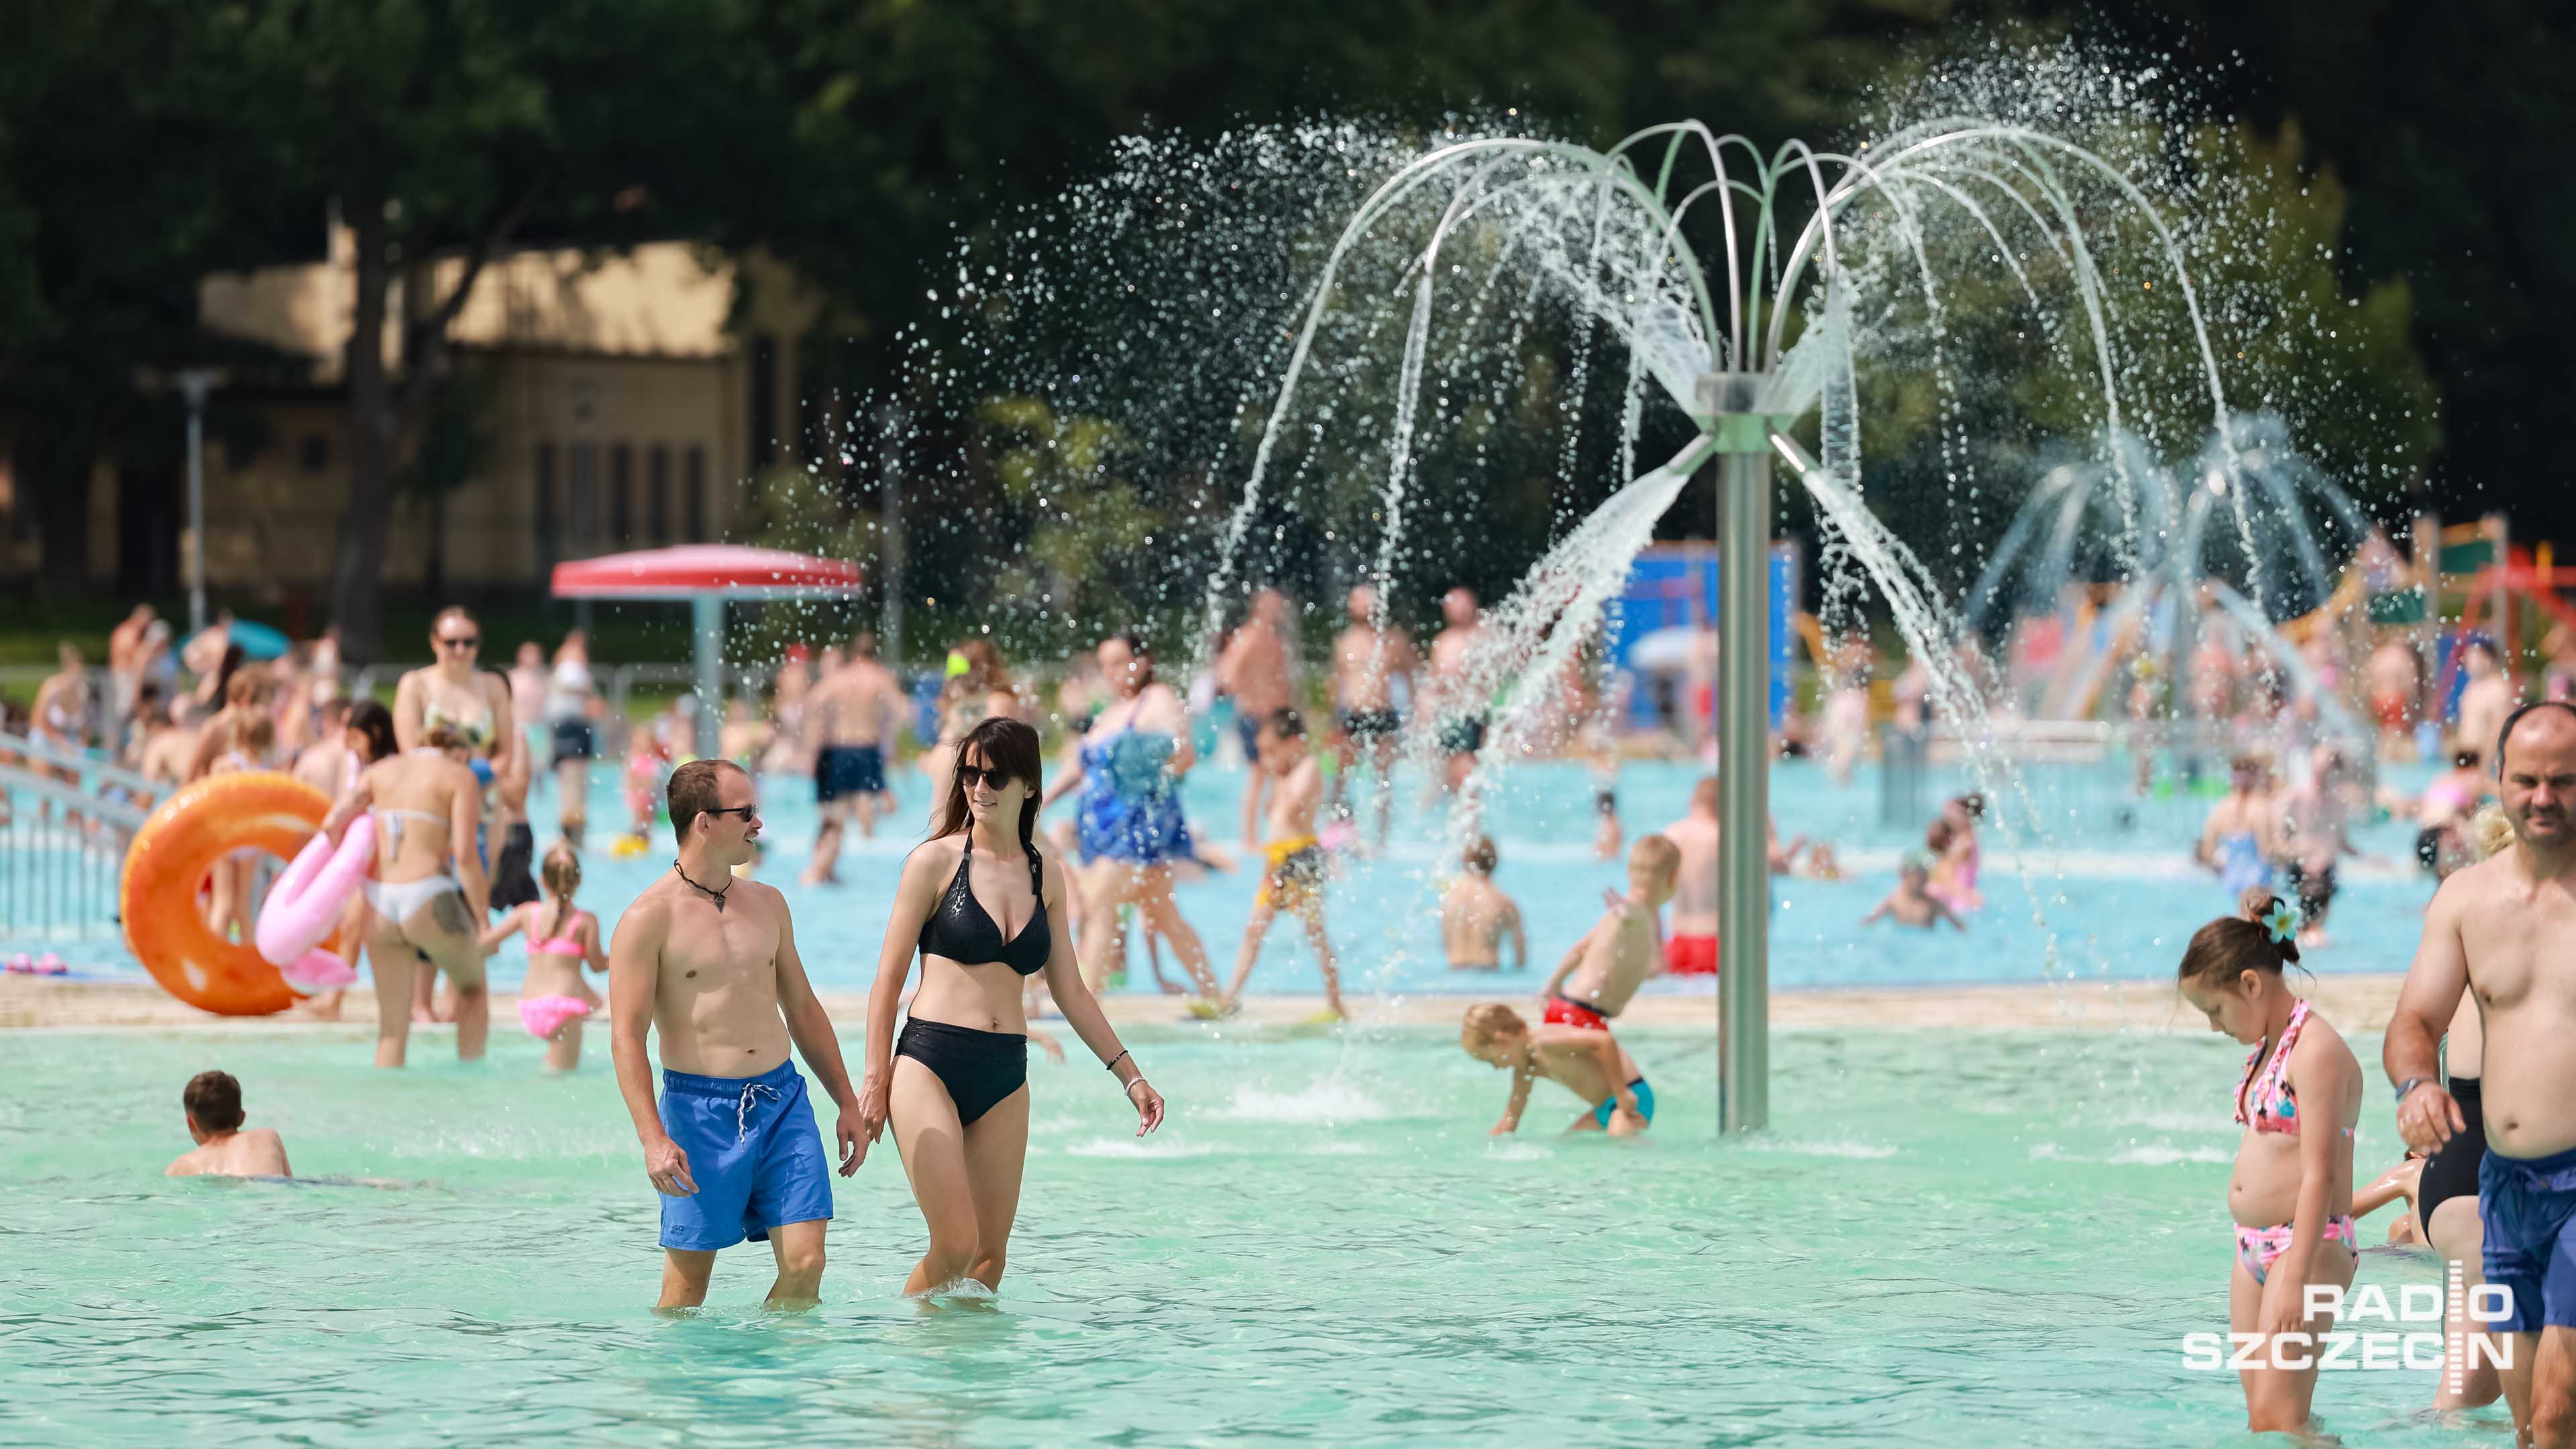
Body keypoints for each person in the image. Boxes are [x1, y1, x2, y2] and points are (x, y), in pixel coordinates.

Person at [855, 718, 1165, 1296]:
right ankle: (902, 1345)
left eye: (994, 776)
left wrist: (1131, 1076)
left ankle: (966, 1359)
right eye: (970, 774)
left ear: (1029, 785)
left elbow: (1071, 991)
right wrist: (874, 1082)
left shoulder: (1047, 874)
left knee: (988, 1260)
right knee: (954, 1244)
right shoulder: (934, 863)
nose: (979, 787)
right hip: (929, 1062)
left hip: (1004, 1074)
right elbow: (886, 981)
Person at [607, 759, 863, 1311]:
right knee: (686, 1294)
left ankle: (771, 1364)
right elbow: (627, 1037)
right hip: (698, 1114)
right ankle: (694, 1370)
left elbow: (802, 1008)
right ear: (704, 822)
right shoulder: (647, 919)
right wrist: (653, 1139)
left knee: (807, 1263)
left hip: (781, 1101)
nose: (758, 823)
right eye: (746, 812)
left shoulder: (768, 902)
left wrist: (847, 1100)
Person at [2387, 703, 2576, 1444]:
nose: (2543, 797)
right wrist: (2416, 1085)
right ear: (2499, 779)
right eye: (2527, 780)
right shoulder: (2467, 900)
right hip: (2506, 1187)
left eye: (2564, 780)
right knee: (2527, 1419)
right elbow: (2414, 1020)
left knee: (2557, 1410)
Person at [2178, 888, 2361, 1436]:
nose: (2215, 1027)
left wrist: (2296, 1278)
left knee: (2277, 1417)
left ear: (2251, 985)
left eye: (2215, 1010)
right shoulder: (2270, 1044)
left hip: (2307, 1247)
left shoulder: (2315, 1050)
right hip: (2253, 1249)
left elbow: (2321, 1173)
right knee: (2271, 1422)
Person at [1040, 631, 1222, 1002]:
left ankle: (1087, 1005)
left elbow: (1185, 754)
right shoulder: (1112, 711)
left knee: (1099, 905)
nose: (1110, 672)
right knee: (1166, 917)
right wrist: (1042, 801)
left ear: (1143, 661)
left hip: (1135, 828)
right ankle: (1215, 997)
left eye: (1119, 662)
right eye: (1104, 665)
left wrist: (1148, 783)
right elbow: (1079, 766)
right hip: (1104, 833)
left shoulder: (1157, 699)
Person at [318, 700, 490, 1067]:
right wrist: (483, 920)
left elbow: (332, 823)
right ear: (460, 751)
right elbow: (464, 855)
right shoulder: (459, 776)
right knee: (473, 989)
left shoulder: (380, 772)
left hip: (379, 902)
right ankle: (474, 1086)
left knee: (392, 1031)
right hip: (428, 895)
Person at [394, 607, 533, 914]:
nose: (461, 650)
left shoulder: (492, 686)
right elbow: (410, 753)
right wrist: (453, 786)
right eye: (451, 642)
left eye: (469, 642)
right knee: (431, 903)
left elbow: (505, 754)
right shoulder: (415, 685)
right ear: (435, 642)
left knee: (477, 902)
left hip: (484, 803)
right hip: (433, 804)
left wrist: (473, 781)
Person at [1221, 710, 1344, 1019]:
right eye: (1263, 752)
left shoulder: (1308, 767)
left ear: (1295, 742)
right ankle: (1229, 998)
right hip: (1277, 859)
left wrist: (1278, 776)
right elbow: (1271, 813)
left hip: (1301, 857)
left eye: (1272, 751)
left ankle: (1336, 1004)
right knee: (1254, 930)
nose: (1267, 759)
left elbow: (1291, 808)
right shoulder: (1286, 772)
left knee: (1316, 934)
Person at [482, 845, 608, 1072]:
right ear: (579, 880)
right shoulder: (585, 921)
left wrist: (479, 917)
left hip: (530, 1007)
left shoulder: (526, 913)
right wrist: (621, 958)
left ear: (542, 880)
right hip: (564, 1009)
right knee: (562, 1080)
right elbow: (597, 965)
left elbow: (485, 943)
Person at [1537, 836, 1682, 1032]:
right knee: (1613, 1054)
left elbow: (1580, 949)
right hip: (1582, 1014)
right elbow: (1634, 913)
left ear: (1629, 871)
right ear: (1674, 878)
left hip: (1568, 1006)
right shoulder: (1635, 911)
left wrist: (1553, 983)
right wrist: (1628, 911)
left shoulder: (1628, 914)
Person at [803, 633, 905, 885]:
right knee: (869, 804)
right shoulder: (879, 677)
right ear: (875, 654)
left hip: (838, 747)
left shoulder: (839, 678)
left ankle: (826, 861)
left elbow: (812, 702)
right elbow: (903, 711)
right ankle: (866, 850)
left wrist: (819, 736)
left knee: (837, 810)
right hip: (867, 747)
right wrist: (889, 735)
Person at [1460, 1003, 1650, 1136]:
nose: (1496, 1067)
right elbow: (1510, 1119)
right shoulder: (1526, 1069)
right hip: (1604, 1108)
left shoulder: (1546, 1042)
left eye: (1492, 1060)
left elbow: (1605, 1041)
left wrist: (1622, 1093)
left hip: (1631, 1096)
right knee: (1569, 1143)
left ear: (1502, 1041)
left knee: (1619, 1140)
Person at [1329, 584, 1418, 847]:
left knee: (1384, 778)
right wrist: (1333, 720)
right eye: (1358, 602)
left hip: (1383, 712)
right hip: (1352, 712)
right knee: (1342, 776)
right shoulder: (1344, 641)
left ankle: (1381, 836)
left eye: (1368, 602)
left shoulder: (1392, 640)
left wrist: (1413, 711)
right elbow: (1336, 682)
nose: (1364, 607)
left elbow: (1410, 675)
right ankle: (1338, 828)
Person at [1216, 588, 1300, 845]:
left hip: (1274, 719)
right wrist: (1251, 697)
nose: (1279, 612)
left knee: (1281, 776)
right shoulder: (1248, 637)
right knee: (1258, 776)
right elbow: (1225, 675)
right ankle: (1250, 838)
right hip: (1254, 716)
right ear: (1260, 607)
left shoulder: (1275, 641)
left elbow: (1283, 683)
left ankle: (1277, 832)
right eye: (1274, 606)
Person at [2279, 745, 2359, 947]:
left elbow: (2342, 842)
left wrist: (2369, 858)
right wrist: (2297, 853)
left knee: (2314, 932)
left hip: (2326, 869)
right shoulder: (2295, 798)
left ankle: (2307, 931)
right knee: (2308, 930)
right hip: (2301, 865)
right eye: (2318, 768)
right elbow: (2279, 840)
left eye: (2326, 769)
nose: (2322, 774)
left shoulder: (2339, 804)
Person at [1424, 586, 1489, 796]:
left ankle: (1469, 811)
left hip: (1471, 713)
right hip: (1448, 714)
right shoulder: (1442, 642)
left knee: (1466, 768)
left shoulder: (1482, 638)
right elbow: (1434, 683)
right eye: (1454, 605)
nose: (1460, 610)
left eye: (1464, 604)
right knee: (1453, 772)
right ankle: (1462, 810)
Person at [165, 1070, 291, 1178]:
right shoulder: (267, 1137)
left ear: (191, 1123)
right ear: (242, 1117)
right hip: (266, 1186)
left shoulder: (180, 1167)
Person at [2196, 755, 2281, 895]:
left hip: (2231, 880)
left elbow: (2207, 852)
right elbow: (2266, 851)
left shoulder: (2220, 808)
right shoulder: (2260, 807)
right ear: (2255, 777)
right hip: (2258, 881)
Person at [545, 631, 598, 850]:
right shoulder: (570, 668)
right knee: (573, 782)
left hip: (571, 726)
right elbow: (571, 690)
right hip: (570, 726)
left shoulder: (567, 668)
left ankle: (573, 833)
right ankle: (571, 834)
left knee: (574, 783)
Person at [1660, 777, 1718, 975]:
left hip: (1677, 942)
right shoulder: (1723, 836)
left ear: (1694, 800)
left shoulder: (1670, 834)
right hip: (1715, 941)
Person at [1441, 835, 1525, 972]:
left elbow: (1444, 943)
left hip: (1454, 972)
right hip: (1488, 972)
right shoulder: (1505, 903)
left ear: (1466, 860)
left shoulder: (1449, 898)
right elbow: (1520, 960)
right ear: (1495, 862)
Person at [2416, 747, 2489, 874]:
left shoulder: (2441, 778)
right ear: (2474, 765)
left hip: (2422, 835)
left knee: (2428, 873)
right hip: (2443, 836)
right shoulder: (2472, 780)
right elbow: (2473, 810)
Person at [2457, 636, 2519, 762]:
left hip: (2487, 762)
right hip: (2469, 759)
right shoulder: (2472, 686)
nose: (2467, 661)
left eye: (2473, 656)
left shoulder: (2500, 689)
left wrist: (2485, 764)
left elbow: (2499, 730)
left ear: (2488, 658)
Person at [1863, 858, 1967, 930]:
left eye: (1926, 877)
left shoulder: (1933, 904)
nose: (1924, 880)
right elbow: (1870, 921)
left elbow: (1959, 927)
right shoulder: (1893, 902)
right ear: (1906, 876)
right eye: (1919, 877)